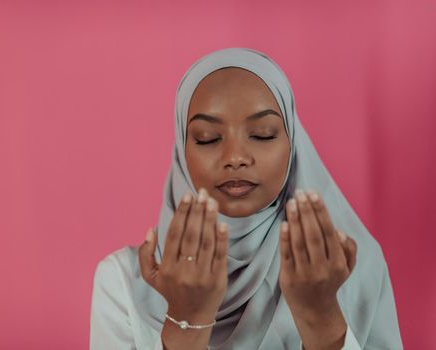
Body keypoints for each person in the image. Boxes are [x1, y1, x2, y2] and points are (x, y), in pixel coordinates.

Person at [90, 48, 403, 349]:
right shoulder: (123, 282)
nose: (236, 157)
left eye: (263, 133)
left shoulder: (348, 268)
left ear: (293, 143)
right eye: (207, 138)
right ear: (182, 153)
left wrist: (322, 319)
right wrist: (187, 319)